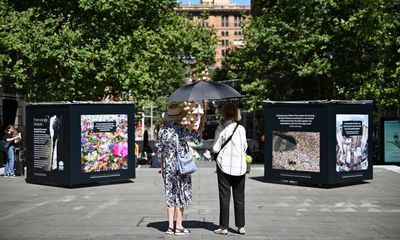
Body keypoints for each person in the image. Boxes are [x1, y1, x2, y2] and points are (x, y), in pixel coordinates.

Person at [156, 104, 207, 236]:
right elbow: (197, 139)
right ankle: (178, 226)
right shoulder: (182, 130)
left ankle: (170, 226)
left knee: (170, 195)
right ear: (180, 117)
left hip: (168, 167)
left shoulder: (162, 131)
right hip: (181, 167)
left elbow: (160, 152)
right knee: (181, 194)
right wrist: (202, 123)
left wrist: (162, 168)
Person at [212, 103, 247, 235]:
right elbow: (245, 147)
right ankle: (241, 226)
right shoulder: (241, 129)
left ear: (224, 113)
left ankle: (224, 227)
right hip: (240, 166)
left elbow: (215, 148)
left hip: (224, 166)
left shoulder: (221, 128)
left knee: (224, 197)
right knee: (239, 197)